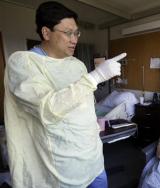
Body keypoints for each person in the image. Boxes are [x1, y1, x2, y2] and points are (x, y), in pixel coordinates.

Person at [4, 1, 126, 188]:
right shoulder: (23, 63)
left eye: (76, 32)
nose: (74, 39)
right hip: (62, 171)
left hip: (94, 160)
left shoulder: (77, 64)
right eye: (68, 33)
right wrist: (98, 75)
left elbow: (85, 104)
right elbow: (48, 108)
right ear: (46, 33)